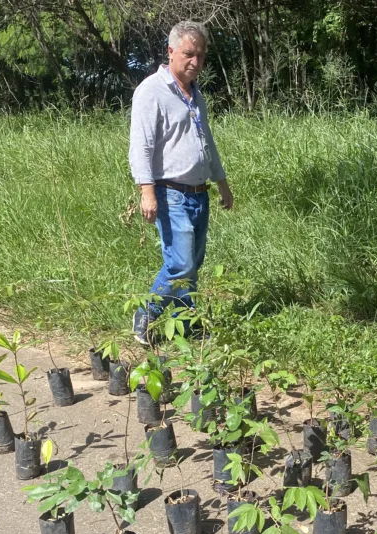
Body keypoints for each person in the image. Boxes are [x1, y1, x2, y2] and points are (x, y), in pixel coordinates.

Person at [128, 19, 234, 345]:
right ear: (170, 51)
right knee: (181, 263)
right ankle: (145, 314)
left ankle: (185, 323)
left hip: (198, 192)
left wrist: (222, 182)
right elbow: (141, 145)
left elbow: (207, 142)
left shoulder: (195, 95)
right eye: (189, 54)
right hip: (169, 191)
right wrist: (146, 191)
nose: (195, 62)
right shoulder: (152, 91)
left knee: (193, 263)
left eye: (201, 56)